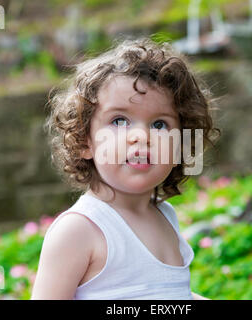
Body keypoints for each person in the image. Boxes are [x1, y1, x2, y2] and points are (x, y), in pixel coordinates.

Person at [31, 37, 220, 300]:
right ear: (85, 140)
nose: (141, 136)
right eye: (119, 121)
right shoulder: (79, 230)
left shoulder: (165, 216)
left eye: (159, 125)